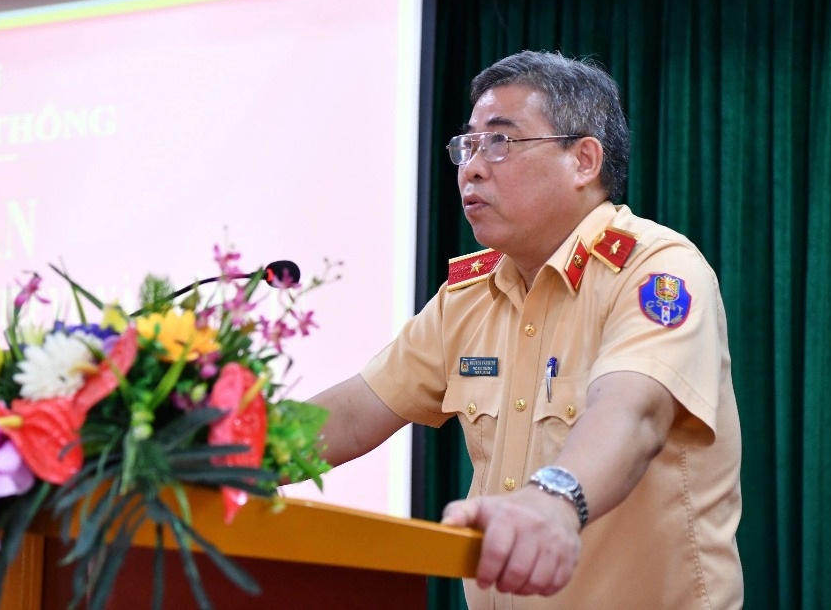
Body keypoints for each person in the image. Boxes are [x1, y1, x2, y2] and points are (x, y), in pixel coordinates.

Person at [310, 50, 744, 609]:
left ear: (584, 160)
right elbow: (351, 415)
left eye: (500, 141)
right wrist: (219, 449)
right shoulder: (468, 298)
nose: (471, 167)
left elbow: (631, 412)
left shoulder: (655, 270)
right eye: (466, 146)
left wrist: (556, 499)